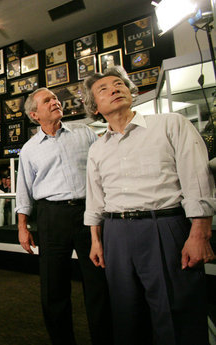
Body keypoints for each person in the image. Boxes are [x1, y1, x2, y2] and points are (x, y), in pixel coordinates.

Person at [82, 66, 216, 345]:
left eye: (119, 84)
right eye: (103, 89)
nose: (114, 89)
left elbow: (197, 178)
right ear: (95, 107)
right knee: (126, 314)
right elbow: (95, 198)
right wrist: (96, 240)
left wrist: (200, 232)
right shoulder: (97, 148)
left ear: (131, 91)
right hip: (115, 233)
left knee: (177, 314)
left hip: (165, 226)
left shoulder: (170, 124)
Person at [15, 87, 112, 345]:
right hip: (51, 216)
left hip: (88, 214)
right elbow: (23, 190)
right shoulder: (29, 149)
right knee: (53, 286)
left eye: (55, 98)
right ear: (35, 115)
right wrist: (22, 227)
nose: (55, 102)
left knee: (98, 282)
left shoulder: (85, 134)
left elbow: (102, 171)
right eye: (47, 100)